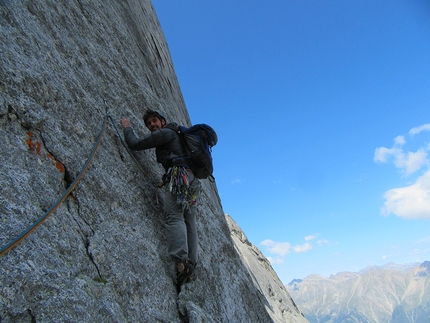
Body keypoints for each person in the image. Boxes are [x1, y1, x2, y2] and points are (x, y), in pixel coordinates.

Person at [121, 110, 201, 288]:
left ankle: (182, 264)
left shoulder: (165, 133)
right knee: (189, 220)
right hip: (193, 179)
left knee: (175, 216)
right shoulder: (177, 135)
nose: (152, 125)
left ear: (163, 122)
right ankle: (192, 264)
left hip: (179, 176)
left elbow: (135, 143)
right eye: (149, 124)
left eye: (154, 121)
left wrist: (127, 128)